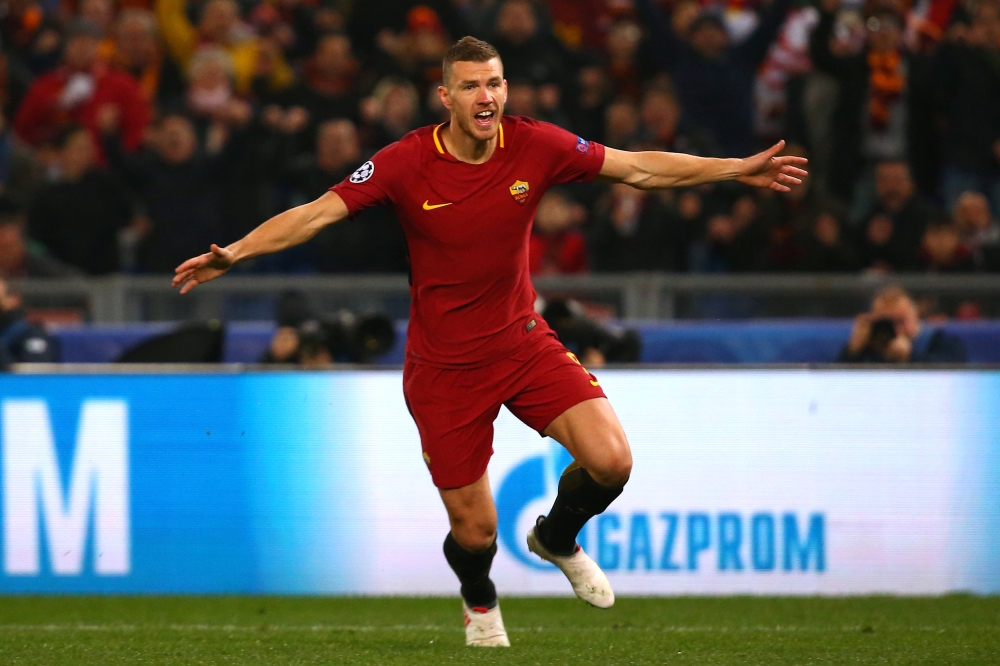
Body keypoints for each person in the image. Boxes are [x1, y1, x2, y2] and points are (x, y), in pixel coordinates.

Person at [172, 37, 807, 647]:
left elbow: (637, 168)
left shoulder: (534, 144)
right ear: (444, 96)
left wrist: (733, 169)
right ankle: (479, 596)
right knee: (476, 534)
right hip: (443, 368)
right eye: (471, 84)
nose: (486, 96)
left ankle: (557, 539)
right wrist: (238, 252)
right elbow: (314, 213)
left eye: (495, 83)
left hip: (521, 343)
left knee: (612, 461)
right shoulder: (404, 162)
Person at [837, 286, 966, 363]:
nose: (895, 329)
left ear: (915, 318)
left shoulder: (941, 342)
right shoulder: (868, 349)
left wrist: (910, 356)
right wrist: (852, 351)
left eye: (901, 321)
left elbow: (956, 374)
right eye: (887, 322)